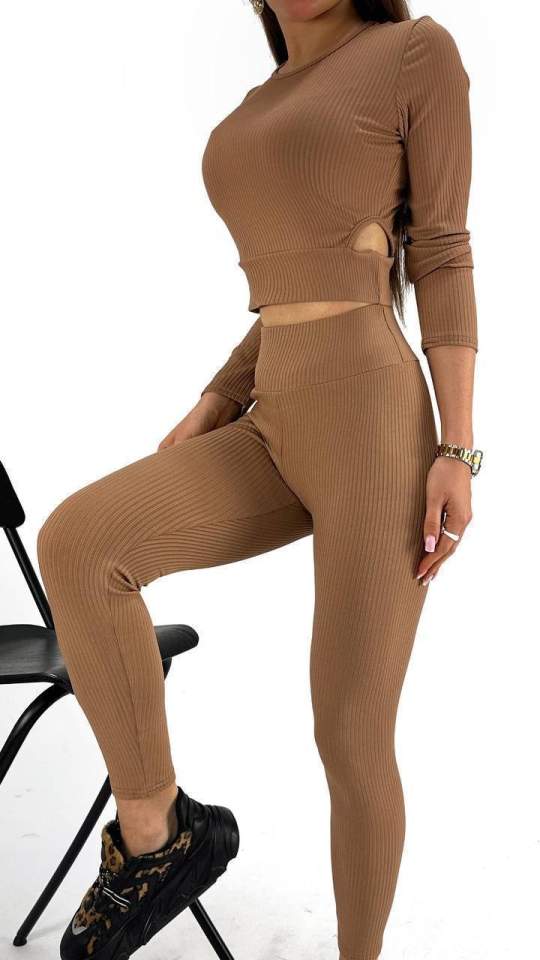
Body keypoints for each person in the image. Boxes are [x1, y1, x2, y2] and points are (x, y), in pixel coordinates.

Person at [36, 2, 483, 958]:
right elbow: (288, 291)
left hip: (375, 424)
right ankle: (158, 833)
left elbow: (440, 251)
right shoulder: (250, 110)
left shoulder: (412, 52)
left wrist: (459, 448)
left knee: (350, 734)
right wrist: (217, 396)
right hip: (271, 416)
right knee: (81, 542)